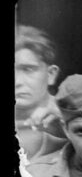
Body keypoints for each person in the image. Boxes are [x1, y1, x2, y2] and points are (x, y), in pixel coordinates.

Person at [14, 25, 65, 160]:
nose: (17, 81)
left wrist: (71, 119)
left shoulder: (77, 111)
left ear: (51, 74)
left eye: (28, 69)